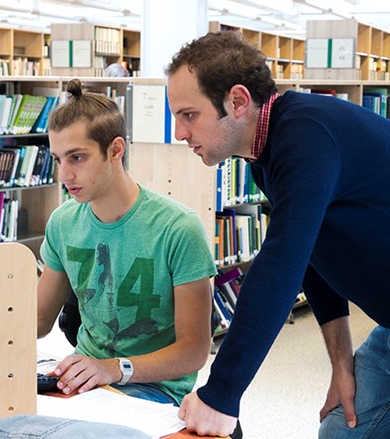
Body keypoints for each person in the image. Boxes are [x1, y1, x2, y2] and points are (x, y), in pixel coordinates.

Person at [165, 31, 390, 438]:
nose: (179, 133)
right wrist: (342, 366)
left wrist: (221, 394)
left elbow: (280, 264)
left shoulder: (307, 135)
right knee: (342, 429)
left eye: (189, 115)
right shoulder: (264, 156)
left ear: (236, 101)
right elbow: (310, 255)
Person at [37, 78, 216, 406]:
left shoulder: (178, 228)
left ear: (115, 150)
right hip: (83, 382)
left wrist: (114, 369)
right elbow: (37, 321)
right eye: (58, 159)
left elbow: (193, 352)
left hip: (151, 390)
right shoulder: (63, 224)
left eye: (77, 158)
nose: (64, 176)